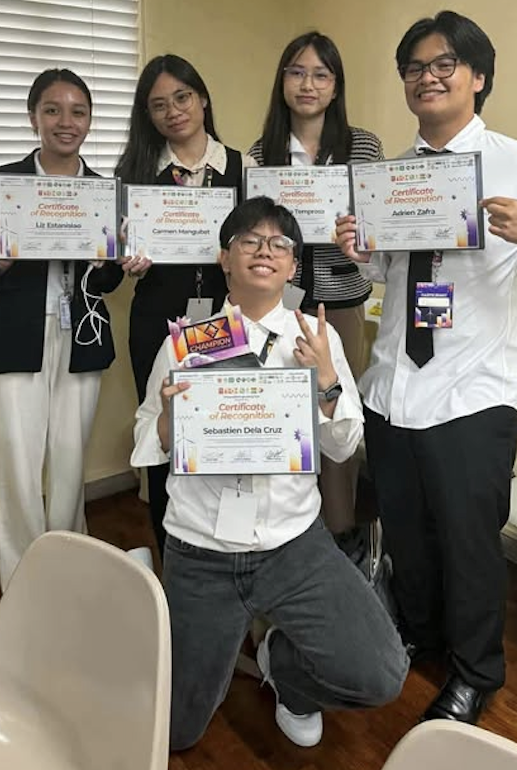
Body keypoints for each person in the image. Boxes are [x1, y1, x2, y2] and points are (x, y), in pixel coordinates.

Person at [336, 10, 517, 724]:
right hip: (393, 386)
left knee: (470, 547)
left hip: (472, 392)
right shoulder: (391, 176)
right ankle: (419, 633)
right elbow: (383, 271)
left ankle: (475, 673)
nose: (426, 78)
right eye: (413, 68)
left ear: (477, 77)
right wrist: (356, 247)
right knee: (405, 530)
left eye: (442, 65)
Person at [131, 197, 408, 751]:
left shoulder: (315, 341)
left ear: (292, 267)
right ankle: (147, 611)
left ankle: (285, 669)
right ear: (224, 260)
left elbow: (344, 444)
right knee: (177, 734)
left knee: (381, 674)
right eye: (248, 241)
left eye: (280, 243)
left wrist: (327, 382)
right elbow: (146, 441)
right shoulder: (186, 342)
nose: (265, 250)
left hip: (292, 543)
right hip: (200, 546)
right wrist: (166, 420)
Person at [0, 68, 124, 591]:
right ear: (33, 117)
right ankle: (24, 581)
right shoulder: (1, 183)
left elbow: (109, 278)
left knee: (70, 459)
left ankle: (69, 565)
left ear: (90, 121)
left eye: (78, 112)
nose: (65, 122)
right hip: (17, 336)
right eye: (52, 110)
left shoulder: (105, 190)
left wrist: (114, 261)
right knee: (17, 457)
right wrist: (0, 262)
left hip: (80, 337)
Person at [116, 55, 255, 555]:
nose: (173, 111)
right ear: (148, 116)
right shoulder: (134, 172)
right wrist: (125, 259)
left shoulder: (242, 167)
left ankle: (227, 553)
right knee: (164, 432)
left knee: (225, 427)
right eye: (158, 105)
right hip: (157, 320)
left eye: (181, 97)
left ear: (202, 100)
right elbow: (110, 271)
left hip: (224, 319)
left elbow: (263, 244)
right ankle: (171, 551)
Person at [249, 31, 384, 537]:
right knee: (284, 420)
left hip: (342, 303)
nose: (308, 84)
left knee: (338, 418)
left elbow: (375, 230)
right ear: (282, 81)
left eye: (321, 74)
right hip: (280, 307)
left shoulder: (363, 145)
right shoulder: (262, 153)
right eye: (297, 72)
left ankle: (341, 532)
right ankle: (292, 535)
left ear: (335, 87)